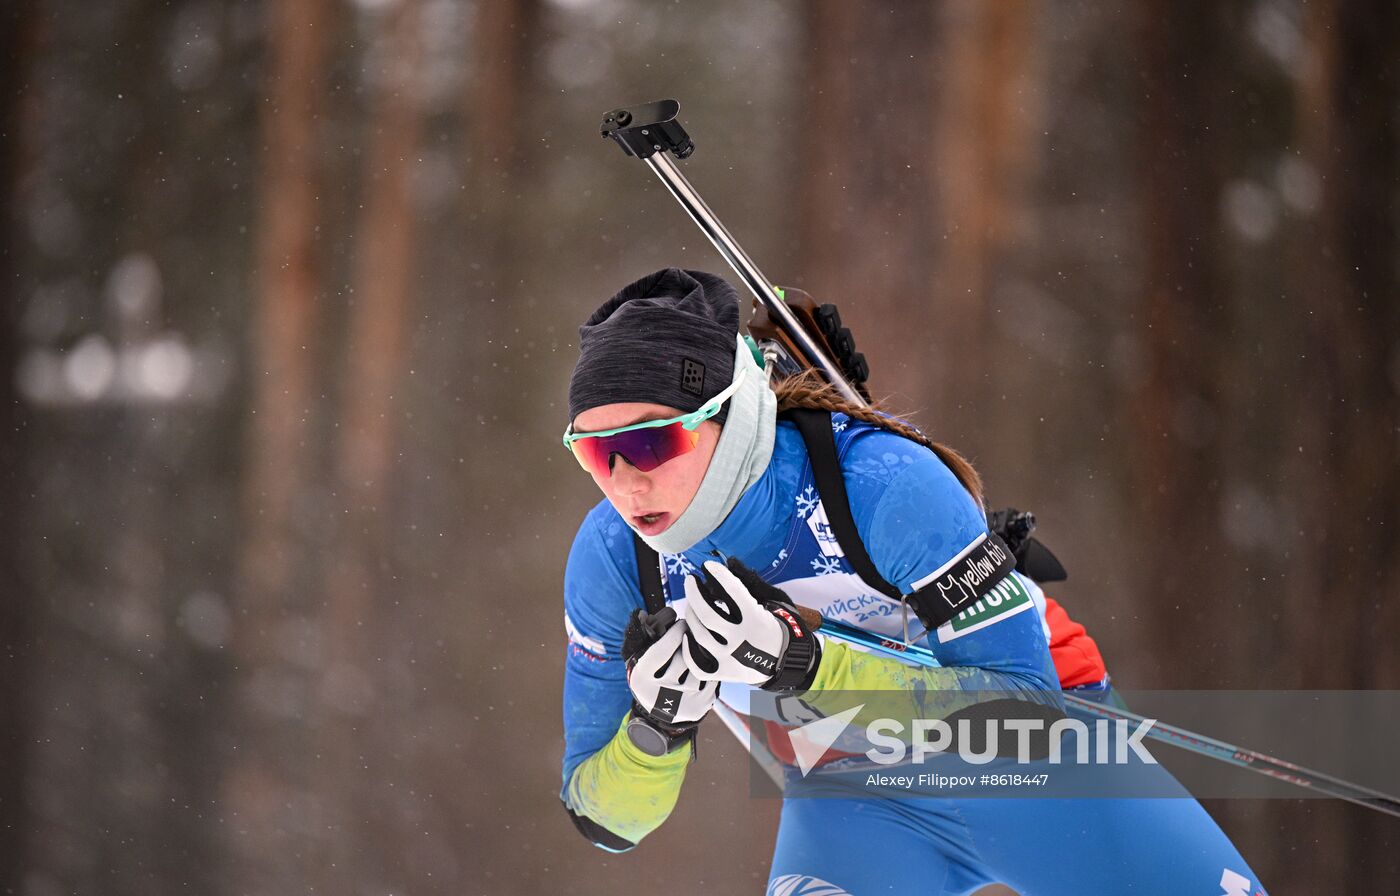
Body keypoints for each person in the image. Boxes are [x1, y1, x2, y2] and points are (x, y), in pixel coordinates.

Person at [559, 268, 1268, 895]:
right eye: (595, 454)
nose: (623, 482)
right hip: (856, 801)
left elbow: (1026, 724)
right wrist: (656, 731)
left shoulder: (883, 484)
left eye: (649, 440)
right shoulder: (617, 560)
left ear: (730, 414)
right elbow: (602, 822)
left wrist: (803, 665)